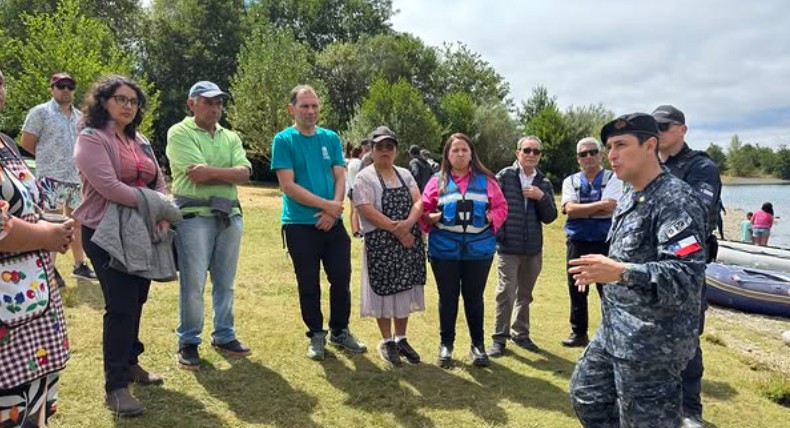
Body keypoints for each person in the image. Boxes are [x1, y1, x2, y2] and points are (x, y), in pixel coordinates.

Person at [568, 113, 707, 427]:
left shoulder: (676, 200)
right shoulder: (631, 193)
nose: (611, 155)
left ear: (650, 145)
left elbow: (685, 276)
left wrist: (620, 271)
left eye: (621, 145)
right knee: (586, 394)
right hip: (616, 331)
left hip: (654, 342)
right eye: (608, 147)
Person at [74, 75, 168, 417]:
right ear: (103, 101)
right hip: (104, 232)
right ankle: (115, 386)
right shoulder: (91, 138)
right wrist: (155, 204)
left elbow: (159, 180)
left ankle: (131, 363)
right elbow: (110, 187)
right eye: (120, 99)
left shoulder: (139, 139)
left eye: (133, 101)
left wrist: (162, 212)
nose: (128, 106)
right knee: (122, 305)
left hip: (142, 232)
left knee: (138, 298)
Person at [0, 68, 73, 428]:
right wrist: (45, 237)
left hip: (33, 303)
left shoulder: (5, 143)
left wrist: (52, 222)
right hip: (5, 315)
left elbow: (24, 208)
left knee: (33, 408)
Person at [271, 85, 366, 360]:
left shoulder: (331, 138)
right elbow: (288, 185)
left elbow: (339, 177)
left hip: (332, 223)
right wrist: (327, 206)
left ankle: (340, 330)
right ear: (292, 109)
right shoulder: (284, 140)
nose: (311, 111)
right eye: (305, 106)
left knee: (341, 278)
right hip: (300, 224)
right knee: (308, 283)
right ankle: (316, 334)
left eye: (314, 106)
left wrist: (333, 212)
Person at [167, 81, 253, 370]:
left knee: (225, 283)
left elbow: (245, 173)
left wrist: (211, 172)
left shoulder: (230, 136)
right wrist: (229, 174)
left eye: (219, 103)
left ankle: (224, 334)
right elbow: (196, 176)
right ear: (191, 103)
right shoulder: (179, 132)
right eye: (208, 102)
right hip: (193, 218)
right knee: (193, 284)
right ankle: (189, 341)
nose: (216, 108)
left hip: (230, 216)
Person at [653, 104, 722, 428]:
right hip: (650, 267)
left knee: (687, 342)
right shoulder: (649, 164)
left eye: (665, 126)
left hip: (685, 269)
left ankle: (690, 410)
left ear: (682, 129)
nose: (659, 132)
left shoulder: (701, 167)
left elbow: (694, 214)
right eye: (654, 127)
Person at [421, 133, 508, 368]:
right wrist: (430, 217)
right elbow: (423, 209)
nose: (460, 154)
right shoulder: (436, 181)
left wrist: (491, 217)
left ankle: (477, 345)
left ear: (471, 154)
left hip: (478, 251)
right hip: (443, 250)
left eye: (464, 150)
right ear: (447, 156)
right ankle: (446, 345)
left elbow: (501, 207)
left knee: (474, 298)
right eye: (455, 150)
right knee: (447, 299)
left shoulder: (487, 181)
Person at [354, 126, 426, 365]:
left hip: (407, 242)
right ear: (372, 150)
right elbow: (365, 209)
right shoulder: (365, 177)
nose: (385, 151)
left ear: (395, 150)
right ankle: (387, 340)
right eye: (380, 147)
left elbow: (419, 202)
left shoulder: (405, 174)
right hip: (381, 244)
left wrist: (407, 225)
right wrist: (398, 230)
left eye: (389, 147)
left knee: (404, 289)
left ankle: (402, 338)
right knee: (383, 292)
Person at [20, 72, 97, 284]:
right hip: (50, 176)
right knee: (51, 222)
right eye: (60, 85)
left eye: (69, 86)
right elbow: (27, 143)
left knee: (77, 222)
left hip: (76, 176)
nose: (65, 90)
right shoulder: (40, 112)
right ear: (51, 88)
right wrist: (48, 158)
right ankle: (49, 268)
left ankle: (79, 264)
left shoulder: (81, 116)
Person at [488, 136, 557, 357]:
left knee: (525, 294)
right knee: (506, 292)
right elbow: (492, 208)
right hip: (509, 248)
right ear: (517, 153)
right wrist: (501, 236)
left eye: (536, 151)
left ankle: (521, 334)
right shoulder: (505, 176)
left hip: (533, 249)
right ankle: (500, 338)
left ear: (540, 155)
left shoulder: (544, 183)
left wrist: (542, 197)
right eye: (527, 150)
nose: (531, 154)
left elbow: (550, 217)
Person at [559, 137, 622, 348]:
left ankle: (613, 333)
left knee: (608, 289)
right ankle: (579, 333)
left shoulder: (614, 177)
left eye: (593, 152)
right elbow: (570, 209)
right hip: (577, 240)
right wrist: (598, 206)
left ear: (600, 154)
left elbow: (612, 206)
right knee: (577, 288)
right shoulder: (571, 181)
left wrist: (580, 209)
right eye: (583, 154)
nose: (589, 157)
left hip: (605, 241)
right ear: (578, 159)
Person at [346, 142, 366, 237]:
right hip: (355, 188)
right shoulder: (358, 163)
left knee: (352, 210)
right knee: (356, 211)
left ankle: (354, 229)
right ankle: (356, 231)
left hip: (351, 187)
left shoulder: (350, 162)